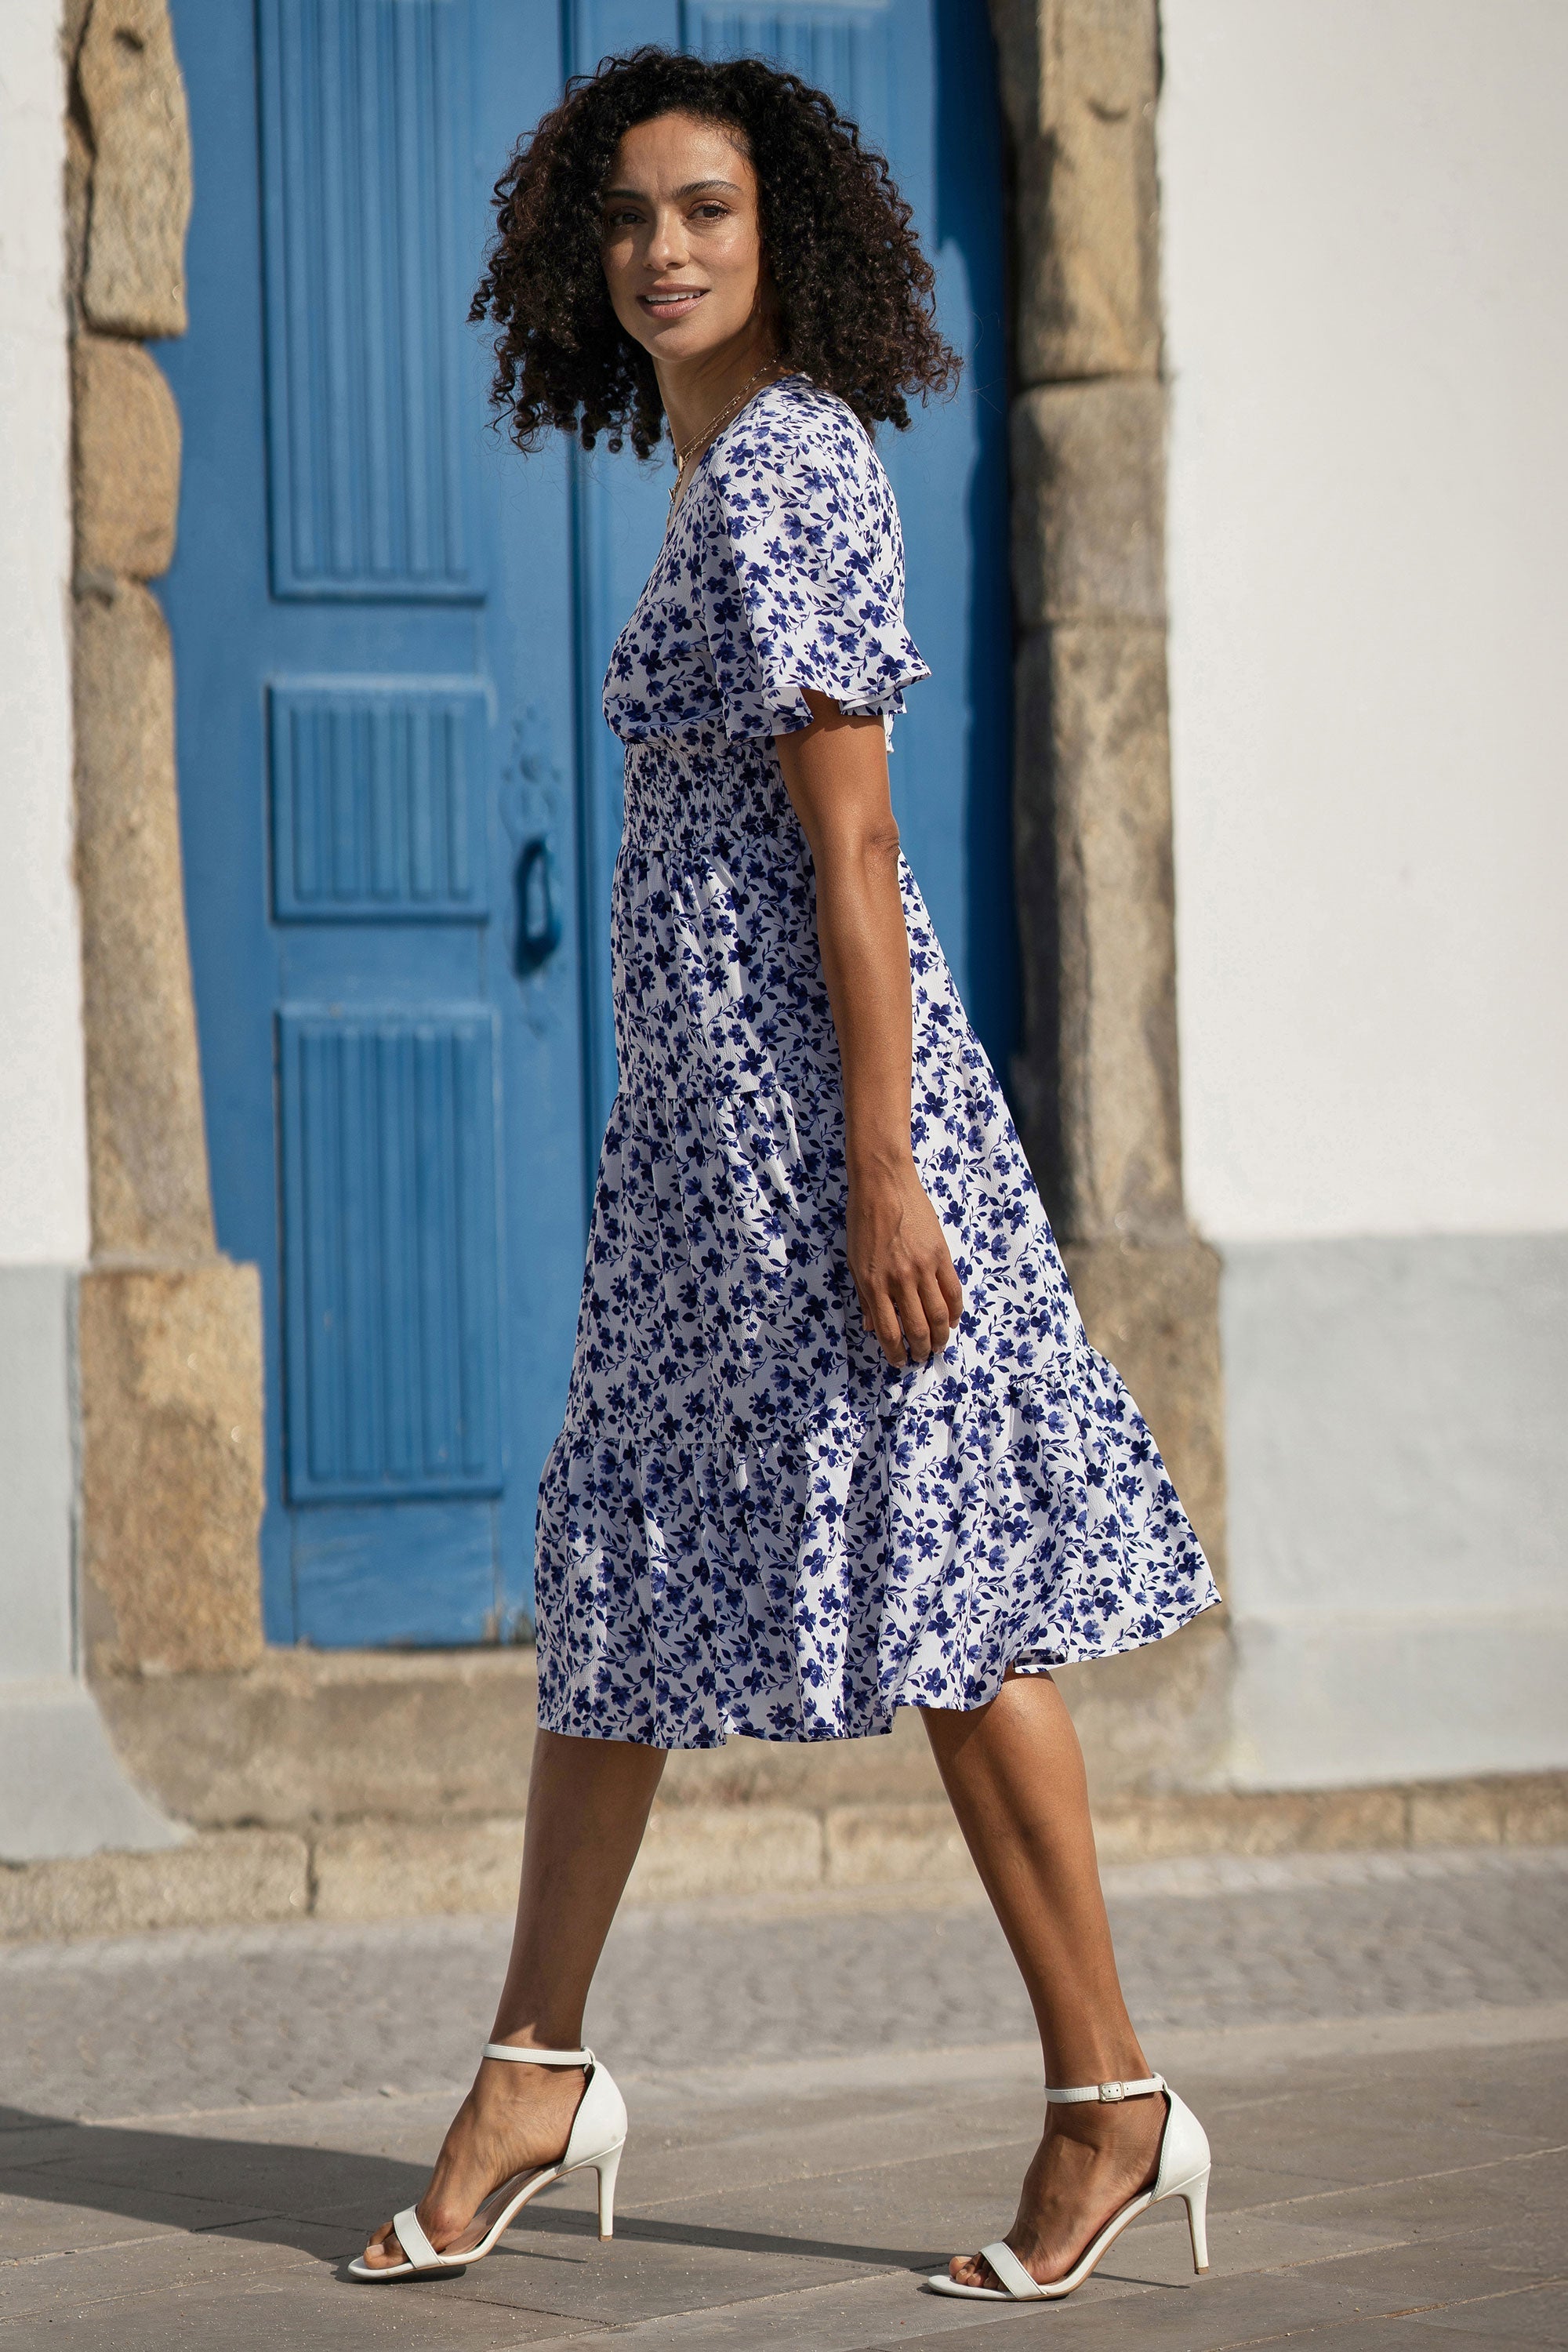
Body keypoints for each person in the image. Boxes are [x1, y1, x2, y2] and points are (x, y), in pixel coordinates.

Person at [353, 45, 1219, 2304]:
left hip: (833, 1137)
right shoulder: (715, 467)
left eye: (708, 211)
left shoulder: (796, 469)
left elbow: (854, 840)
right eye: (631, 215)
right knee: (624, 1572)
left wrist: (880, 1167)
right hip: (706, 1158)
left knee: (948, 1589)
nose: (665, 251)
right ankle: (533, 2067)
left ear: (784, 232)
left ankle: (1110, 2097)